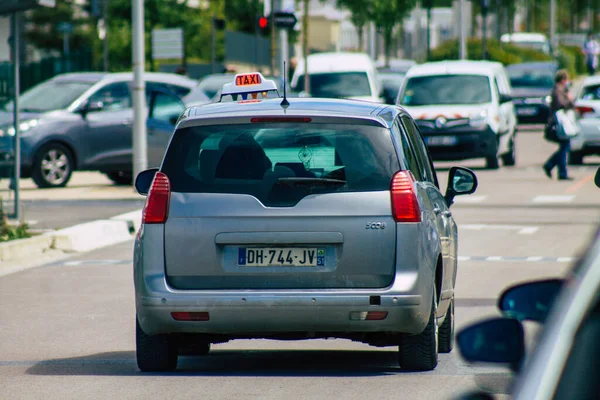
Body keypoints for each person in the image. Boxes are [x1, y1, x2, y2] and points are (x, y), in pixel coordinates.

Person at [543, 69, 575, 181]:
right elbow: (561, 104)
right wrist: (569, 99)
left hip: (560, 124)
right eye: (566, 79)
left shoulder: (559, 90)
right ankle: (561, 172)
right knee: (565, 146)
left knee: (564, 146)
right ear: (563, 80)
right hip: (558, 124)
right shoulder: (558, 91)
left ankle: (550, 165)